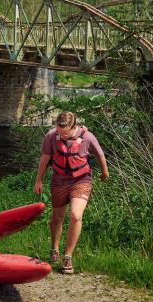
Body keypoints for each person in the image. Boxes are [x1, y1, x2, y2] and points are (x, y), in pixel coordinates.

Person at [33, 111, 109, 274]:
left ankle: (68, 256)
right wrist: (38, 180)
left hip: (81, 180)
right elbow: (45, 159)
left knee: (75, 215)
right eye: (59, 132)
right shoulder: (51, 136)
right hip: (59, 180)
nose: (62, 136)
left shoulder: (87, 137)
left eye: (65, 133)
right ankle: (54, 248)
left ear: (74, 127)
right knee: (57, 218)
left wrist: (104, 172)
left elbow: (100, 154)